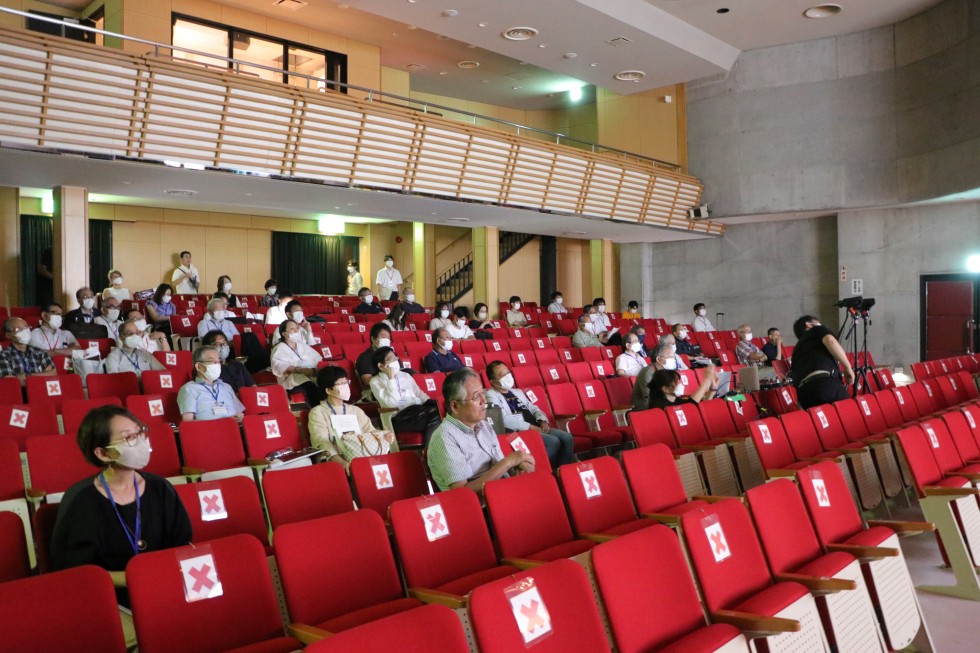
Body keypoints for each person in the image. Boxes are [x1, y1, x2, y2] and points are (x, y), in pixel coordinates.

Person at [50, 405, 192, 645]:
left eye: (140, 432)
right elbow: (77, 574)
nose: (140, 441)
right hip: (108, 599)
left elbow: (182, 546)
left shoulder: (161, 489)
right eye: (128, 437)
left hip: (162, 588)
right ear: (104, 454)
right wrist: (133, 577)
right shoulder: (81, 501)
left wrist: (159, 579)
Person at [427, 368, 534, 493]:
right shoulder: (445, 438)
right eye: (477, 397)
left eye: (483, 393)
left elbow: (499, 466)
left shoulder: (484, 426)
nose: (484, 401)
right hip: (482, 507)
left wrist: (516, 467)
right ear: (455, 406)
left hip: (504, 492)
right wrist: (508, 462)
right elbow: (462, 493)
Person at [309, 366, 397, 473]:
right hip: (338, 459)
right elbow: (322, 442)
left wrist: (383, 435)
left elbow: (370, 431)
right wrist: (341, 462)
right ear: (328, 390)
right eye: (341, 383)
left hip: (364, 454)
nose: (346, 386)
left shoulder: (355, 410)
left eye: (346, 382)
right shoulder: (318, 412)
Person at [485, 361, 575, 467]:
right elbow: (502, 419)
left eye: (507, 372)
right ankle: (542, 470)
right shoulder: (491, 395)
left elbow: (533, 407)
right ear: (493, 382)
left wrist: (543, 420)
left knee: (567, 438)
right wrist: (530, 427)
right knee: (553, 441)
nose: (507, 376)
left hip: (537, 426)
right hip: (521, 431)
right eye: (502, 375)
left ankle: (561, 470)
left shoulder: (517, 391)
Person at [369, 346, 441, 445]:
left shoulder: (405, 376)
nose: (395, 361)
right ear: (381, 366)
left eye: (395, 358)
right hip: (399, 417)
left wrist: (437, 404)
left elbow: (420, 394)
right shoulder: (375, 382)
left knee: (443, 411)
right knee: (437, 416)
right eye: (391, 359)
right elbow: (392, 403)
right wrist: (391, 379)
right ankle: (429, 451)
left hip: (418, 411)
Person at [791, 315, 854, 409]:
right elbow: (830, 341)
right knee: (847, 417)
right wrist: (848, 367)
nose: (821, 325)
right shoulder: (816, 329)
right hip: (825, 385)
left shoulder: (796, 350)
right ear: (808, 324)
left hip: (804, 395)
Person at [177, 346, 246, 421]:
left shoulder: (226, 387)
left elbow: (240, 414)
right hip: (208, 431)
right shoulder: (189, 389)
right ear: (199, 366)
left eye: (218, 361)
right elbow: (188, 423)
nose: (217, 365)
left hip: (234, 429)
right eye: (213, 361)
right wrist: (226, 421)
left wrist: (238, 418)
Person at [270, 319, 324, 407]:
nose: (296, 330)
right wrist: (300, 370)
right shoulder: (279, 348)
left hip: (312, 375)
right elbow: (278, 365)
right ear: (284, 334)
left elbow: (318, 359)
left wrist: (314, 370)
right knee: (309, 385)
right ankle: (316, 409)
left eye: (296, 328)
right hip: (291, 382)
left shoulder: (303, 345)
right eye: (292, 328)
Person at [0, 317, 55, 383]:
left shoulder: (40, 352)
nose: (25, 331)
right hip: (19, 392)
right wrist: (43, 374)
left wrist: (25, 377)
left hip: (41, 391)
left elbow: (53, 375)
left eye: (26, 327)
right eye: (18, 329)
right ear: (8, 335)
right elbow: (11, 382)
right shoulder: (3, 355)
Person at [646, 366, 717, 410]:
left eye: (679, 381)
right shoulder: (660, 406)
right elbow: (690, 407)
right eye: (676, 382)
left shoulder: (676, 400)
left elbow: (701, 407)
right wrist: (706, 380)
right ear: (665, 389)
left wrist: (712, 390)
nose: (680, 384)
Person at [355, 323, 393, 392]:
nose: (387, 340)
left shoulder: (391, 355)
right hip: (378, 391)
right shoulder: (365, 358)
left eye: (388, 338)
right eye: (384, 337)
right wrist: (386, 375)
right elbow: (366, 381)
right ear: (373, 339)